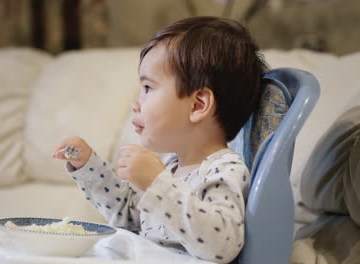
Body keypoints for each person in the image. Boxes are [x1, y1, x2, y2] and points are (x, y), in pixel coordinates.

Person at [52, 16, 269, 263]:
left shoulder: (224, 169)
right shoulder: (171, 166)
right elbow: (129, 217)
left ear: (198, 105)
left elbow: (222, 244)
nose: (136, 104)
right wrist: (88, 165)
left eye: (148, 88)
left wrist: (158, 182)